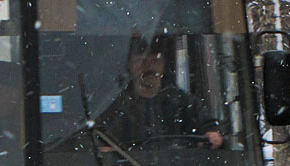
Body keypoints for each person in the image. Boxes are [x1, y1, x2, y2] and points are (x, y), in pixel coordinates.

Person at [95, 34, 223, 149]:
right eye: (142, 61)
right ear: (130, 66)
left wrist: (212, 136)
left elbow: (211, 129)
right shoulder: (117, 106)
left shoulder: (184, 103)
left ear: (164, 64)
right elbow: (99, 140)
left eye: (155, 61)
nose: (149, 67)